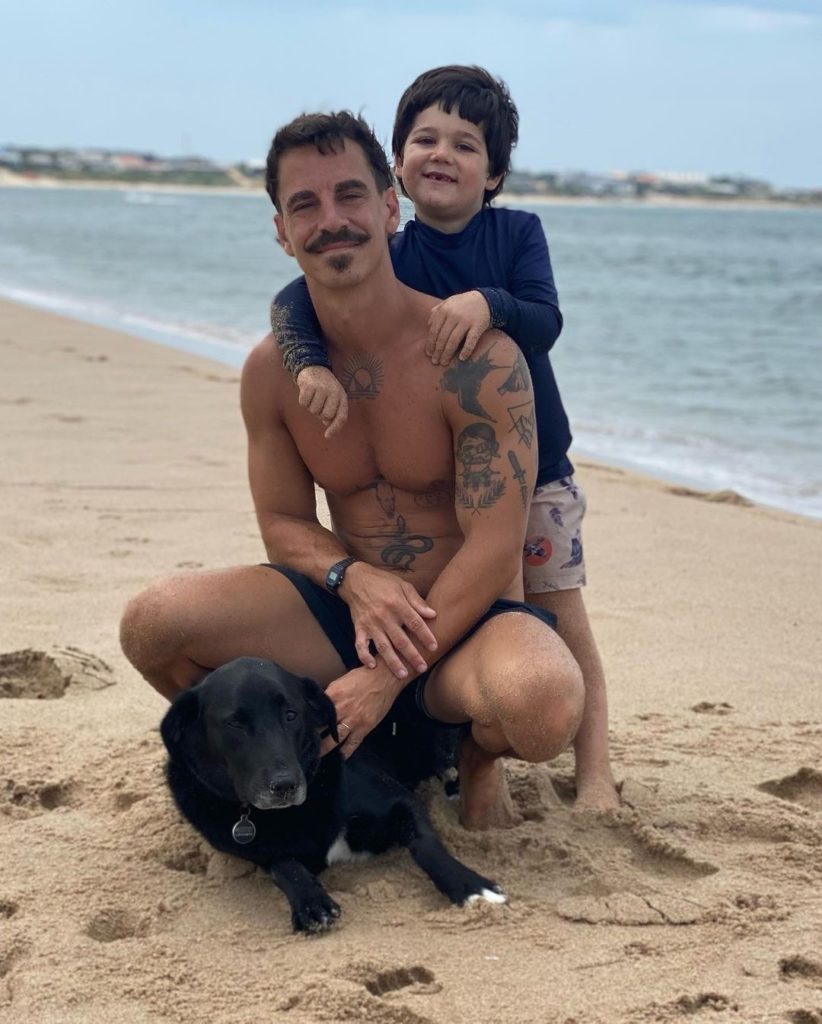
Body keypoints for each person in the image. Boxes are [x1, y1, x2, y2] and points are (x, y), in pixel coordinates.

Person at [119, 110, 584, 831]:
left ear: (391, 208)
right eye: (305, 204)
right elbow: (283, 523)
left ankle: (472, 758)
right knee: (153, 624)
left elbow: (496, 548)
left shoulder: (479, 361)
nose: (331, 220)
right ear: (282, 232)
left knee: (543, 702)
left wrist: (385, 677)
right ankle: (298, 757)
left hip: (465, 624)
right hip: (345, 618)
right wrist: (352, 578)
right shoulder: (272, 372)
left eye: (350, 195)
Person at [272, 66, 619, 810]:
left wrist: (488, 303)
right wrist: (307, 364)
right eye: (425, 139)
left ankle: (593, 773)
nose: (442, 154)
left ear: (493, 175)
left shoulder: (517, 233)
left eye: (466, 145)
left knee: (558, 611)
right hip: (449, 472)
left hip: (537, 469)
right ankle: (462, 740)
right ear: (396, 167)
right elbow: (294, 297)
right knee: (475, 608)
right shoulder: (390, 248)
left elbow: (546, 319)